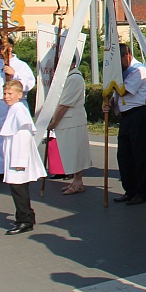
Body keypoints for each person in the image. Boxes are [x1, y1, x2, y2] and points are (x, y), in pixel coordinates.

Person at [0, 37, 36, 175]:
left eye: (1, 49)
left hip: (14, 106)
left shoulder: (21, 65)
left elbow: (29, 83)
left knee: (15, 138)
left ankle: (16, 166)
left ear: (10, 48)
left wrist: (14, 74)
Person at [104, 43, 146, 206]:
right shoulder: (123, 73)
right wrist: (110, 100)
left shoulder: (138, 70)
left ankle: (141, 192)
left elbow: (123, 91)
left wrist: (110, 81)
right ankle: (129, 189)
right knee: (124, 155)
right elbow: (118, 94)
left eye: (120, 60)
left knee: (139, 155)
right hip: (126, 116)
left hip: (139, 114)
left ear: (128, 55)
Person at [0, 79, 47, 236]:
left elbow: (25, 136)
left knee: (19, 189)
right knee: (18, 189)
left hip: (18, 158)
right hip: (14, 156)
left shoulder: (19, 111)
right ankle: (26, 216)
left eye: (10, 93)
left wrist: (19, 162)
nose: (7, 96)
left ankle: (24, 221)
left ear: (19, 95)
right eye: (5, 93)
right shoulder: (14, 109)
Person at [47, 55, 92, 195]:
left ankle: (78, 182)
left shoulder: (74, 78)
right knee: (69, 152)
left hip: (72, 120)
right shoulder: (67, 78)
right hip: (68, 121)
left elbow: (64, 104)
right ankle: (76, 181)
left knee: (75, 152)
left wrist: (54, 121)